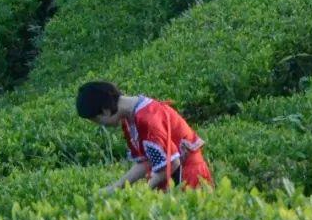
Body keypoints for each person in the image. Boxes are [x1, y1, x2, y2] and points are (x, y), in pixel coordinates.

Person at [76, 80, 213, 192]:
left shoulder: (147, 118)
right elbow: (145, 161)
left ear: (105, 111)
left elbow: (171, 163)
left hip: (188, 177)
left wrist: (141, 192)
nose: (102, 126)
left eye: (98, 121)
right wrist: (115, 188)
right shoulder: (130, 118)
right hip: (173, 178)